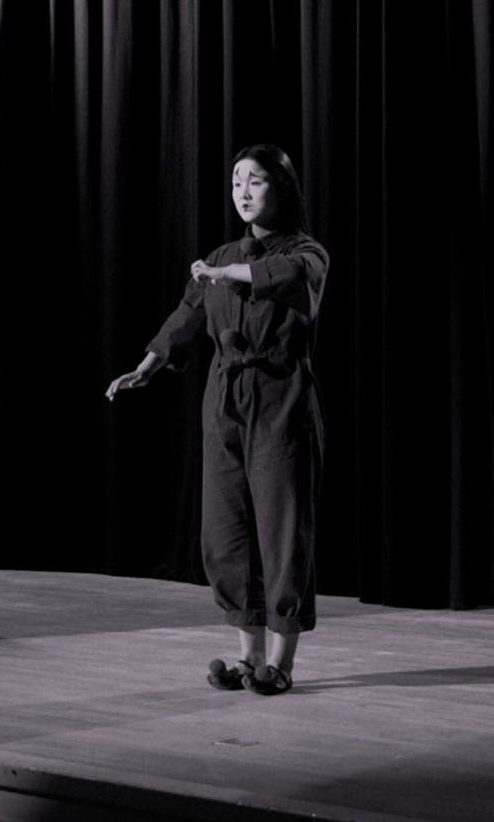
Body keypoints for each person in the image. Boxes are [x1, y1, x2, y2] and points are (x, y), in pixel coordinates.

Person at [105, 144, 328, 696]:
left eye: (255, 181)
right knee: (226, 531)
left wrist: (225, 273)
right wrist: (148, 366)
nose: (243, 192)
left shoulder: (306, 252)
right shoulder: (221, 256)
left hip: (280, 399)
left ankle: (281, 662)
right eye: (235, 182)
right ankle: (248, 659)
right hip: (224, 399)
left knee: (281, 531)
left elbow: (284, 276)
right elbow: (187, 314)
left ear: (282, 187)